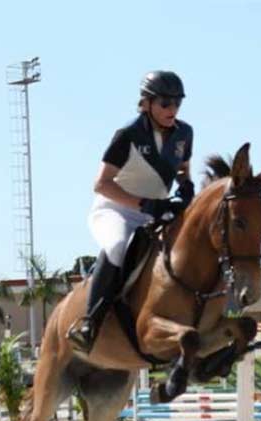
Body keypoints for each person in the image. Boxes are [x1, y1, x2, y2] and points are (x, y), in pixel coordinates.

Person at [66, 70, 195, 353]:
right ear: (147, 103)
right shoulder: (128, 135)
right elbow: (101, 184)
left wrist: (186, 185)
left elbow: (183, 168)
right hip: (116, 210)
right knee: (116, 245)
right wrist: (141, 204)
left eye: (177, 103)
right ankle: (91, 322)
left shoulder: (184, 133)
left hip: (156, 212)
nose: (172, 110)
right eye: (165, 103)